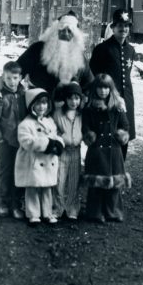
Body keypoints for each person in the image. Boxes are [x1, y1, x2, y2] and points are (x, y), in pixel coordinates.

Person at [0, 11, 94, 102]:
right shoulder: (38, 49)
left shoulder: (79, 57)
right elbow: (14, 71)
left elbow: (90, 84)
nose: (65, 34)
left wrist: (84, 98)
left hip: (65, 115)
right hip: (36, 107)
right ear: (54, 31)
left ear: (75, 36)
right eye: (62, 30)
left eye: (70, 31)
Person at [82, 74, 131, 223]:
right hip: (97, 149)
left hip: (113, 148)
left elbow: (125, 125)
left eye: (106, 88)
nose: (103, 91)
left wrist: (121, 135)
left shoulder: (117, 106)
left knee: (114, 184)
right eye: (99, 87)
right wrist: (89, 135)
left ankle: (113, 211)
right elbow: (85, 125)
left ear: (111, 89)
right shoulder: (89, 107)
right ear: (94, 88)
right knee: (97, 183)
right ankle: (95, 212)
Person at [89, 9, 136, 160]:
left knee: (124, 135)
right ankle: (105, 173)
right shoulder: (102, 49)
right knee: (106, 136)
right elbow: (94, 76)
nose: (123, 29)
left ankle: (120, 170)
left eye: (127, 26)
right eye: (120, 26)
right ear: (113, 27)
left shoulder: (131, 50)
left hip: (126, 100)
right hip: (107, 100)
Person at [14, 88, 64, 225]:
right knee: (33, 188)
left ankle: (47, 213)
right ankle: (33, 214)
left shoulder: (49, 121)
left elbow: (56, 135)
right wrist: (46, 143)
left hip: (48, 160)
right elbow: (26, 142)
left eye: (44, 103)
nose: (42, 106)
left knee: (47, 188)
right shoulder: (25, 124)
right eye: (38, 103)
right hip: (33, 161)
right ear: (31, 105)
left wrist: (59, 143)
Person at [0, 61, 27, 219]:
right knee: (5, 173)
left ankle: (16, 204)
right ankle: (3, 202)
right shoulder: (0, 96)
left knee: (19, 173)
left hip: (21, 143)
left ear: (20, 78)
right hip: (5, 143)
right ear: (3, 77)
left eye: (15, 78)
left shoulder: (24, 94)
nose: (12, 81)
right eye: (8, 78)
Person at [52, 81, 83, 220]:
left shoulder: (82, 114)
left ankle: (72, 208)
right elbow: (53, 129)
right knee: (59, 180)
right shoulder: (58, 113)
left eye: (77, 98)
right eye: (70, 98)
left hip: (76, 150)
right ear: (65, 99)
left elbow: (86, 129)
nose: (73, 102)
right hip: (62, 151)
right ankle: (57, 208)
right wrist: (60, 137)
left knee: (74, 181)